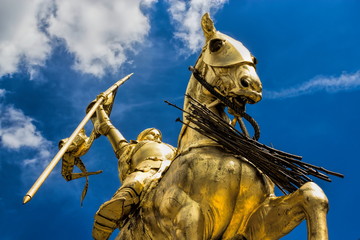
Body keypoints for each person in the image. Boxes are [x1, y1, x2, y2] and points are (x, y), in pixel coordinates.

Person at [91, 103, 176, 240]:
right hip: (147, 168)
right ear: (142, 137)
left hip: (172, 169)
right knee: (137, 180)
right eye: (151, 134)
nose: (156, 136)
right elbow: (108, 128)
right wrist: (100, 110)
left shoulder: (172, 148)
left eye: (158, 135)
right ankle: (113, 213)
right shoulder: (130, 147)